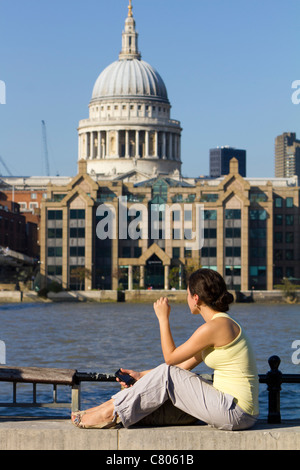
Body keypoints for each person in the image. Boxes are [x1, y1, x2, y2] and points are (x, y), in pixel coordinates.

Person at [71, 268, 259, 430]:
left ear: (196, 298)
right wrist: (141, 376)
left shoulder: (214, 327)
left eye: (187, 294)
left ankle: (107, 414)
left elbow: (170, 360)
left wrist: (163, 318)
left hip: (236, 412)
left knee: (168, 371)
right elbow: (183, 366)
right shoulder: (220, 326)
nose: (186, 299)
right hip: (234, 410)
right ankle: (103, 409)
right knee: (165, 379)